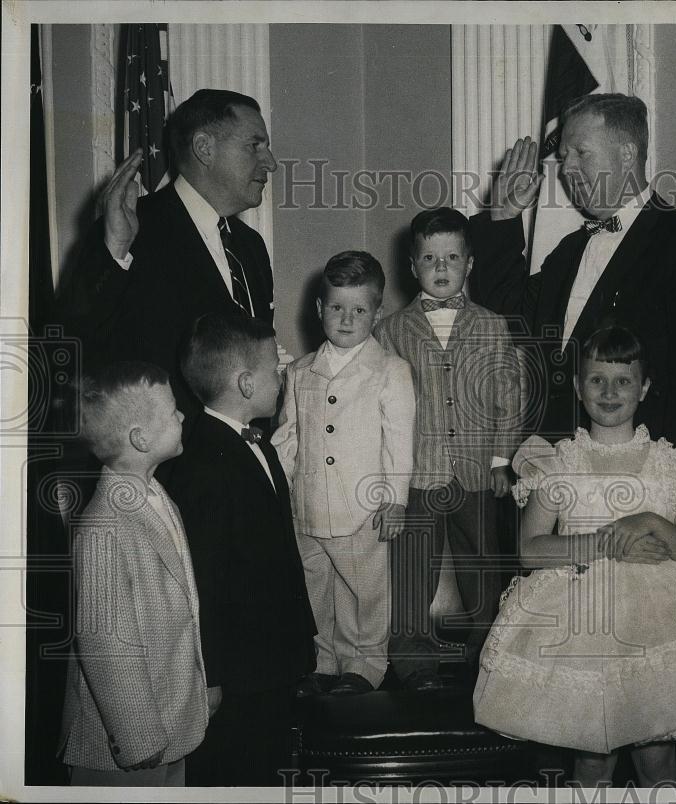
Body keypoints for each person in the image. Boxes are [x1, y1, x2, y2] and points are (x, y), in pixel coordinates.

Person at [473, 327, 676, 786]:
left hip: (654, 624)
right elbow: (530, 549)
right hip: (580, 626)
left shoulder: (670, 463)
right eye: (597, 380)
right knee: (592, 760)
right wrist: (605, 542)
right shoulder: (557, 461)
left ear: (644, 387)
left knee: (657, 758)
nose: (610, 392)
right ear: (579, 388)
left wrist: (651, 523)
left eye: (623, 381)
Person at [469, 93, 676, 469]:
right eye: (563, 158)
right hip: (558, 478)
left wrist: (672, 494)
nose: (567, 170)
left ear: (627, 155)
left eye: (581, 152)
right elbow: (509, 315)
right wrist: (503, 215)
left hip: (642, 483)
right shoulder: (569, 251)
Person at [162, 312, 316, 786]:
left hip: (275, 658)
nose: (284, 374)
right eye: (276, 366)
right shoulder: (202, 467)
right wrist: (211, 675)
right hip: (240, 671)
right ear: (247, 384)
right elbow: (202, 580)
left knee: (268, 766)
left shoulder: (262, 445)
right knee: (235, 774)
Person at [374, 207, 521, 691]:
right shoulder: (391, 331)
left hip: (476, 471)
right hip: (416, 473)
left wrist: (502, 461)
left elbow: (507, 395)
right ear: (412, 266)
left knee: (483, 564)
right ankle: (413, 663)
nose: (441, 268)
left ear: (470, 264)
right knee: (412, 569)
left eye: (452, 257)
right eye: (430, 258)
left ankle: (488, 657)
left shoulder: (491, 326)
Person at [64, 88, 278, 418]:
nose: (271, 163)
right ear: (205, 148)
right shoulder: (131, 228)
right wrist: (115, 250)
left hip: (239, 458)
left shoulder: (251, 247)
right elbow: (75, 339)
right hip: (166, 460)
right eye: (255, 146)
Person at [57, 362, 208, 786]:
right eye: (173, 409)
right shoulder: (104, 529)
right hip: (121, 743)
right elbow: (105, 643)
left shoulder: (155, 495)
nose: (181, 416)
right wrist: (137, 735)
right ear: (140, 438)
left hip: (170, 719)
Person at [273, 251, 416, 697]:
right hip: (308, 506)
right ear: (319, 310)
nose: (347, 319)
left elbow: (399, 439)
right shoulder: (299, 373)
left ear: (377, 313)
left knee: (363, 592)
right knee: (314, 587)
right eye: (337, 307)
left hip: (363, 508)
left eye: (359, 310)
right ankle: (322, 662)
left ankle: (365, 664)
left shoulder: (390, 372)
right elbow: (287, 438)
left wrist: (395, 498)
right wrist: (280, 492)